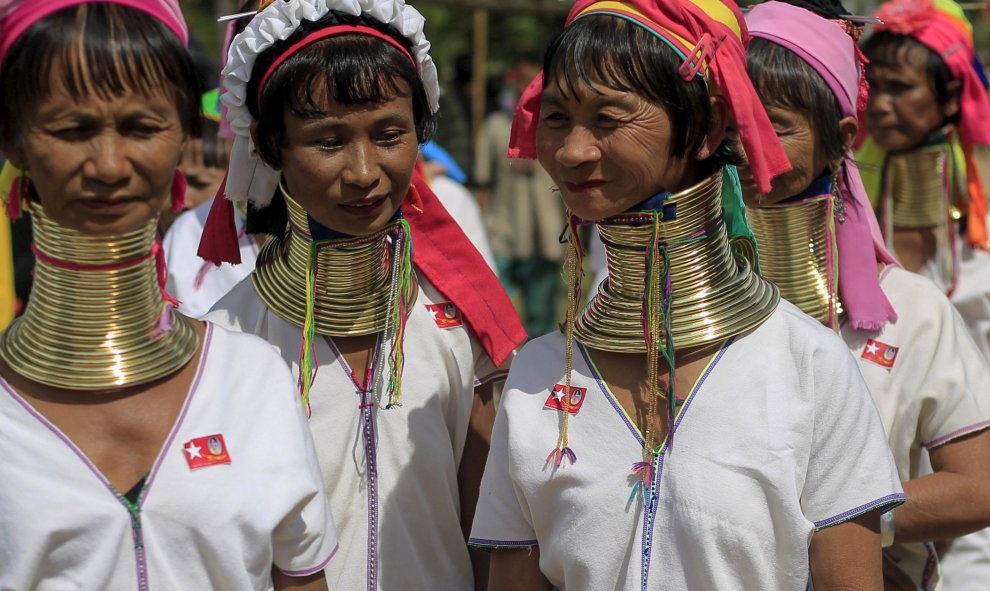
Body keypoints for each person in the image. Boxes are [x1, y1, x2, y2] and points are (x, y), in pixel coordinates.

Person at [468, 0, 904, 589]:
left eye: (607, 117)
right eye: (555, 117)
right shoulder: (536, 376)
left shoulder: (807, 365)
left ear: (707, 127)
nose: (572, 151)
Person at [0, 1, 337, 589]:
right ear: (14, 141)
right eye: (71, 129)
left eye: (141, 127)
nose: (108, 165)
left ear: (185, 133)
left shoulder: (251, 380)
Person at [199, 0, 526, 589]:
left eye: (389, 134)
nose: (363, 171)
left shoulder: (455, 326)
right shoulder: (226, 340)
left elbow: (489, 529)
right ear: (272, 147)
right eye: (327, 141)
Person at [742, 2, 990, 588]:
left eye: (773, 124)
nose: (747, 148)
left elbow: (977, 485)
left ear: (840, 138)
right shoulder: (666, 297)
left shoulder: (914, 309)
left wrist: (820, 523)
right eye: (727, 123)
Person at [857, 0, 990, 360]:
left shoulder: (981, 245)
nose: (880, 104)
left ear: (949, 99)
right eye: (873, 86)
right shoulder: (848, 227)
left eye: (899, 87)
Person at [475, 54, 565, 337]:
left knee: (542, 323)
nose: (526, 87)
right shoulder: (495, 126)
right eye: (522, 81)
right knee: (494, 319)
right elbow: (482, 183)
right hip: (502, 234)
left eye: (533, 82)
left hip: (546, 235)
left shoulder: (559, 130)